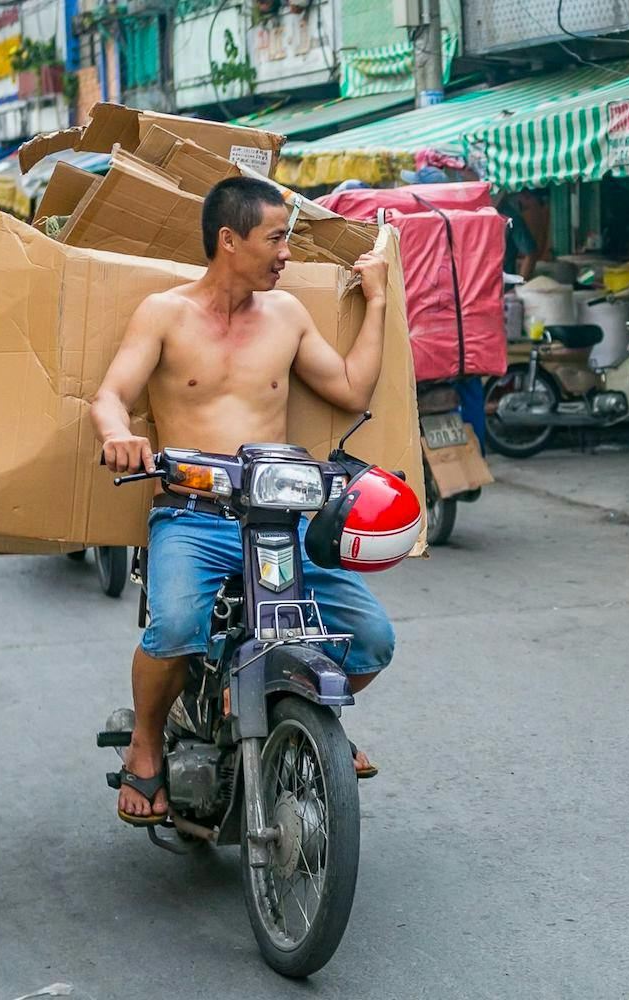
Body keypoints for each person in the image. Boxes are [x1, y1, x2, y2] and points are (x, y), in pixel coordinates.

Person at [92, 177, 396, 825]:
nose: (287, 252)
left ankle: (312, 730)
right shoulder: (163, 314)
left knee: (371, 637)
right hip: (190, 517)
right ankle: (146, 748)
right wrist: (118, 435)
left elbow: (350, 389)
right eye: (276, 237)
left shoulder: (286, 315)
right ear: (229, 241)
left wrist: (378, 303)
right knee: (174, 627)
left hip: (276, 521)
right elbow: (111, 394)